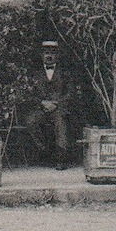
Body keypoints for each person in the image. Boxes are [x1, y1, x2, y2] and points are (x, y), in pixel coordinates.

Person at [22, 41, 74, 169]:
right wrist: (42, 102)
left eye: (52, 53)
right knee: (30, 121)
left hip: (59, 108)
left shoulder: (65, 73)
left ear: (57, 55)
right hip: (41, 108)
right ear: (41, 55)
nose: (49, 56)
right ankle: (46, 151)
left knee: (60, 123)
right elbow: (29, 94)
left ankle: (61, 158)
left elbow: (71, 93)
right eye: (46, 53)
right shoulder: (35, 74)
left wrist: (57, 103)